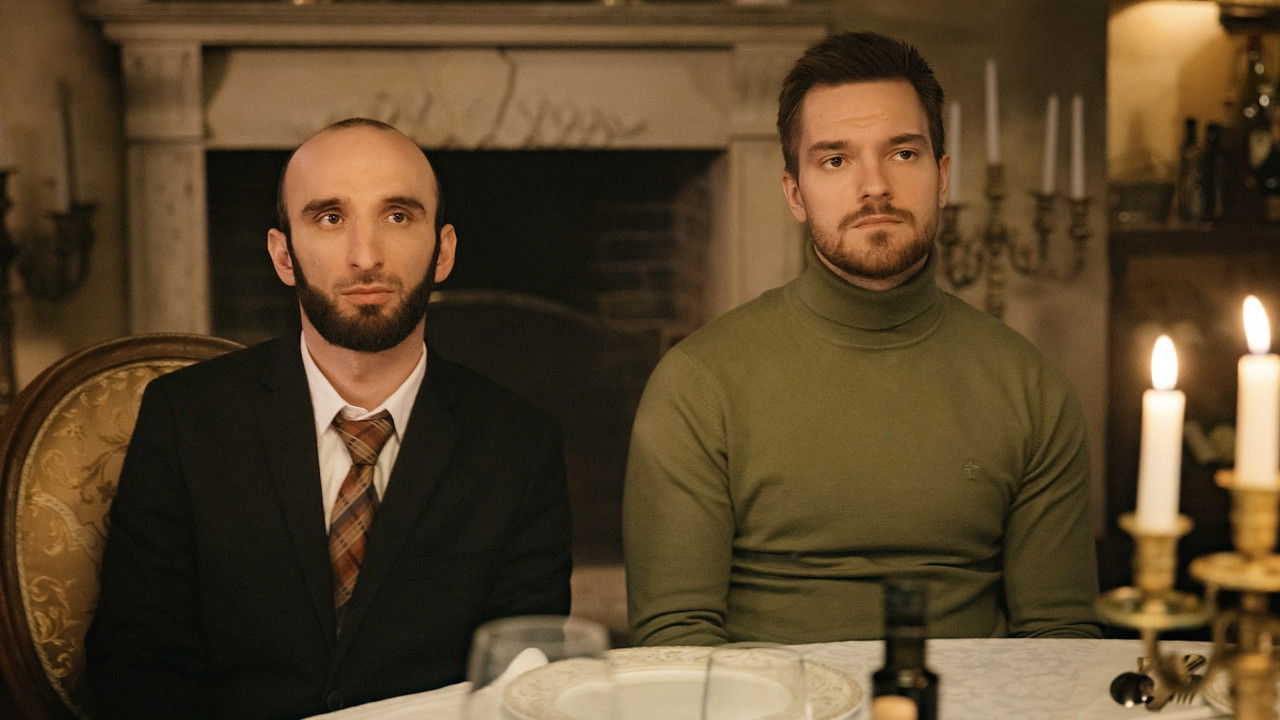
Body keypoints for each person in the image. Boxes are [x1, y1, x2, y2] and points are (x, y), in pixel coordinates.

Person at [623, 32, 1100, 646]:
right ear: (794, 193)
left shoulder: (1030, 386)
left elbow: (1060, 640)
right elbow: (675, 641)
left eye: (902, 153)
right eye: (835, 160)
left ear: (942, 177)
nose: (875, 186)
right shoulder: (697, 384)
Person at [86, 118, 572, 719]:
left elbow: (523, 679)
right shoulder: (185, 419)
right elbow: (135, 664)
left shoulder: (519, 444)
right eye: (330, 218)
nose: (365, 257)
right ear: (283, 255)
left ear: (443, 251)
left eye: (398, 215)